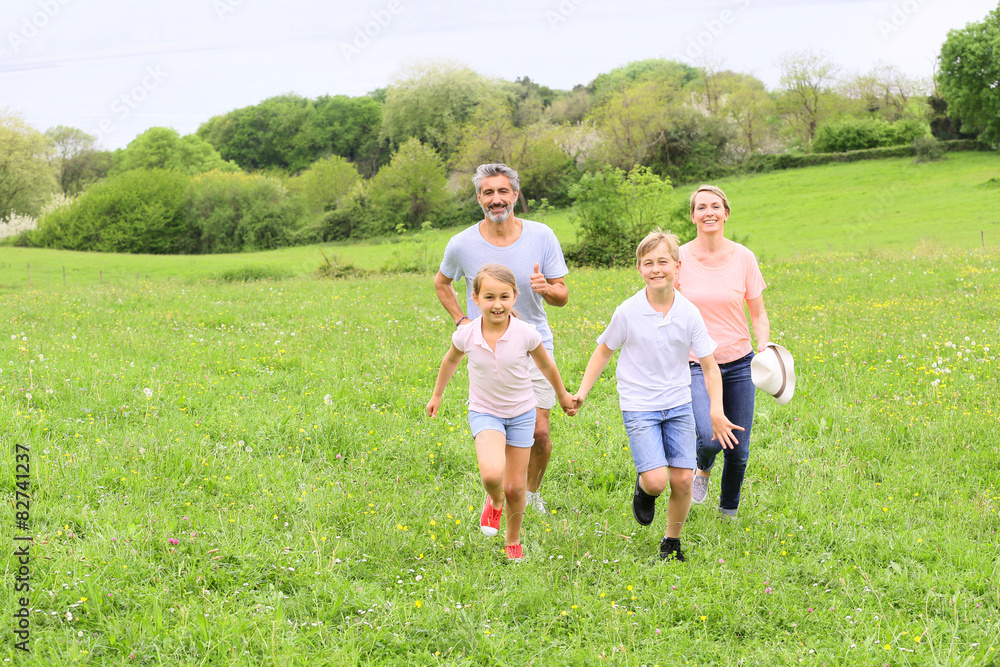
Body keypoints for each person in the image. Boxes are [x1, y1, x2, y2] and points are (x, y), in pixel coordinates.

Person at [572, 230, 742, 562]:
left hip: (678, 404)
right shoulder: (628, 311)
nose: (656, 269)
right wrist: (581, 392)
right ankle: (644, 488)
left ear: (677, 267)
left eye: (663, 261)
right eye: (648, 263)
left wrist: (716, 412)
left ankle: (671, 542)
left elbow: (709, 367)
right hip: (639, 405)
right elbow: (603, 351)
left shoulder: (689, 312)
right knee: (656, 481)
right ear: (639, 268)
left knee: (682, 480)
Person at [434, 163, 569, 515]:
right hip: (487, 348)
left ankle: (529, 493)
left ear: (515, 195)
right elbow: (442, 283)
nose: (496, 199)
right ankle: (500, 489)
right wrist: (461, 320)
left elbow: (563, 295)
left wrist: (547, 289)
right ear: (479, 198)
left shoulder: (541, 236)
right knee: (497, 424)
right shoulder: (461, 244)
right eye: (488, 193)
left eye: (503, 191)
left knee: (539, 432)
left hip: (533, 345)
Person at [427, 264, 576, 561]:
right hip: (485, 412)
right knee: (493, 474)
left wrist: (562, 395)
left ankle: (513, 539)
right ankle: (494, 500)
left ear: (515, 296)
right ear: (476, 298)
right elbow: (450, 361)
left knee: (516, 487)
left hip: (522, 413)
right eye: (490, 297)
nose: (497, 304)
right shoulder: (467, 334)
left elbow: (547, 366)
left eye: (504, 297)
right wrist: (437, 395)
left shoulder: (526, 334)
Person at [679, 185, 770, 518]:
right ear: (693, 216)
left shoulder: (744, 257)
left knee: (739, 449)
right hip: (695, 363)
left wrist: (764, 346)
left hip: (740, 362)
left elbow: (758, 314)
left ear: (726, 213)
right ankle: (702, 467)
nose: (709, 213)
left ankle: (728, 513)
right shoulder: (680, 258)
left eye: (715, 206)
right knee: (709, 437)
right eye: (701, 208)